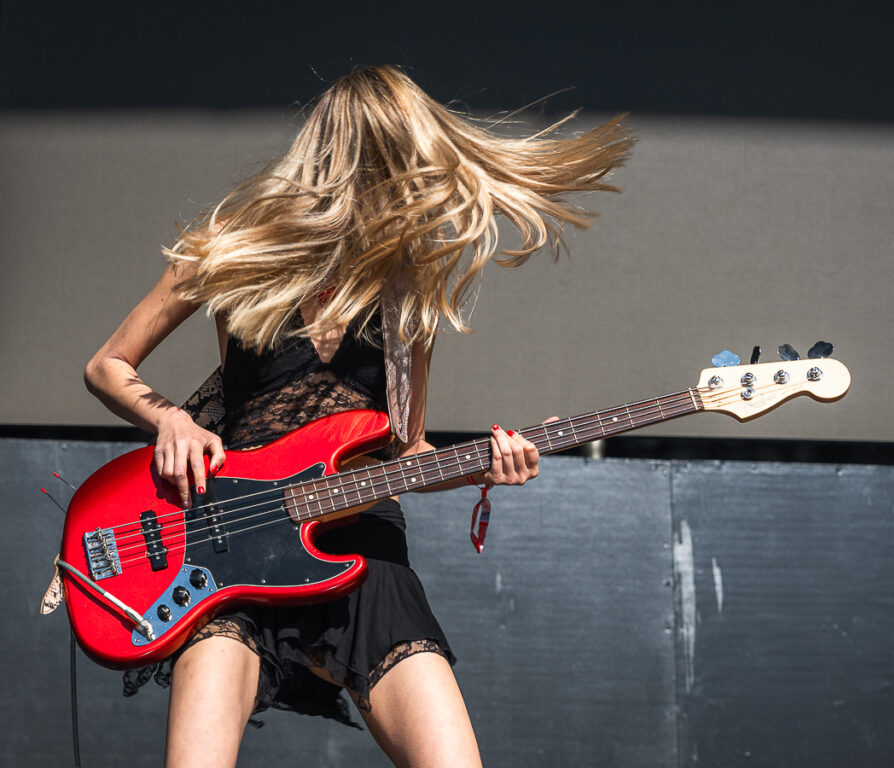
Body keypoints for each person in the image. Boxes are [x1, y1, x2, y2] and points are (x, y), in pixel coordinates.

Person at [84, 65, 630, 768]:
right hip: (233, 540)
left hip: (361, 543)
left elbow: (403, 451)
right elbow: (108, 364)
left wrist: (480, 468)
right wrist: (174, 422)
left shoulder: (406, 292)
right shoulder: (236, 243)